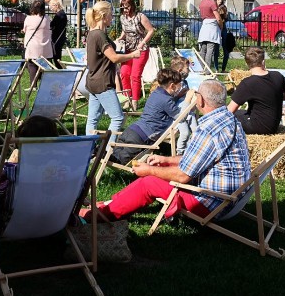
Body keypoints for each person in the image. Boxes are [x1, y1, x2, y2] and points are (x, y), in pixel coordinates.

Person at [82, 79, 249, 223]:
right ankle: (108, 205)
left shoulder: (208, 129)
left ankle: (99, 215)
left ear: (201, 100)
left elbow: (183, 176)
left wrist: (150, 170)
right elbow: (201, 157)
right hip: (231, 198)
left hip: (210, 203)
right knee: (156, 174)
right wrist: (167, 160)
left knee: (148, 182)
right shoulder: (230, 120)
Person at [84, 1, 142, 139]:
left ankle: (89, 148)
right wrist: (133, 55)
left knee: (92, 119)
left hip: (92, 81)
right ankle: (109, 149)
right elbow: (114, 58)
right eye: (111, 14)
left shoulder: (92, 33)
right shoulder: (99, 35)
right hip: (103, 83)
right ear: (104, 16)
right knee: (118, 118)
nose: (112, 17)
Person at [110, 68, 185, 164]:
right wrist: (188, 99)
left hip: (131, 129)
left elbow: (164, 102)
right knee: (121, 161)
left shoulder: (156, 93)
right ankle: (100, 154)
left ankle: (99, 152)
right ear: (172, 86)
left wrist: (178, 96)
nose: (180, 88)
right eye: (179, 86)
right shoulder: (167, 101)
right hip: (142, 136)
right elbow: (181, 117)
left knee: (115, 154)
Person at [228, 46, 285, 134]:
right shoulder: (277, 75)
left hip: (258, 127)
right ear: (263, 62)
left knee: (231, 117)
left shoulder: (247, 83)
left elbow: (229, 111)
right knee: (241, 112)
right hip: (273, 126)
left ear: (246, 64)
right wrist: (273, 96)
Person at [116, 0, 155, 111]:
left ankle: (135, 101)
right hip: (128, 50)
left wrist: (142, 42)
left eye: (127, 7)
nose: (125, 10)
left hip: (140, 50)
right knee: (124, 73)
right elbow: (125, 30)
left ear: (132, 6)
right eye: (123, 7)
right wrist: (120, 38)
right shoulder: (123, 18)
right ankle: (127, 99)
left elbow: (151, 30)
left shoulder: (140, 17)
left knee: (135, 75)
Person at [169, 55, 198, 155]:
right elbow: (170, 100)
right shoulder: (173, 85)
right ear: (180, 70)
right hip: (178, 115)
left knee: (196, 130)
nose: (189, 71)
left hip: (188, 111)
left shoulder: (184, 82)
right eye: (187, 68)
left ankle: (191, 149)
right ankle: (180, 153)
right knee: (185, 133)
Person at [22, 0, 53, 86]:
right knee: (45, 65)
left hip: (32, 46)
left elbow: (25, 30)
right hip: (45, 46)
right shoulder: (47, 18)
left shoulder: (28, 18)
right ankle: (45, 85)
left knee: (32, 65)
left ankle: (33, 85)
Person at [197, 0, 222, 71]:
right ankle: (207, 70)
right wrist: (221, 26)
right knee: (210, 49)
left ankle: (200, 68)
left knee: (203, 49)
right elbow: (218, 17)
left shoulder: (201, 2)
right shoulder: (211, 2)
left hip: (204, 25)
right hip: (212, 27)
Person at [214, 0, 233, 72]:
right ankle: (216, 69)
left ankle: (223, 69)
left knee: (226, 50)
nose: (220, 0)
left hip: (223, 28)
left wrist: (224, 14)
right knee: (216, 49)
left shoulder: (223, 7)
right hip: (216, 28)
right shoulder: (213, 7)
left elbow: (225, 17)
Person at [49, 0, 68, 68]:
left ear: (56, 6)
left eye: (51, 6)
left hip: (57, 38)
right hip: (60, 37)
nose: (50, 8)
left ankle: (60, 70)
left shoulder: (59, 15)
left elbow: (51, 25)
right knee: (57, 56)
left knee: (56, 57)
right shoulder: (62, 14)